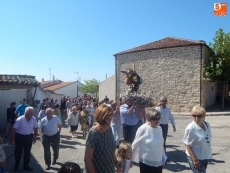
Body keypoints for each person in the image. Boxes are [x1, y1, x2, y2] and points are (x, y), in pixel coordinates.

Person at [84, 104, 121, 173]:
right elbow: (87, 159)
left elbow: (111, 151)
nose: (110, 121)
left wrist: (116, 164)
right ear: (101, 117)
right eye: (107, 118)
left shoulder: (109, 129)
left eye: (111, 118)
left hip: (110, 170)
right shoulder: (93, 133)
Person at [131, 108, 167, 173]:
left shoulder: (159, 129)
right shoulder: (143, 129)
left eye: (158, 118)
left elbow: (160, 145)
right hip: (146, 162)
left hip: (158, 162)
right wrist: (130, 160)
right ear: (149, 119)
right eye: (154, 119)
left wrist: (164, 156)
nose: (157, 120)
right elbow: (135, 145)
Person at [182, 105, 212, 173]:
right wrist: (195, 161)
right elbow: (187, 145)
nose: (196, 118)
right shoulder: (190, 128)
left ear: (204, 117)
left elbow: (207, 139)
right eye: (194, 116)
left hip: (204, 156)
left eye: (199, 116)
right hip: (195, 158)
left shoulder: (207, 125)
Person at [9, 107, 38, 172]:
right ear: (26, 113)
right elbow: (13, 130)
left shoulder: (33, 119)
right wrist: (11, 139)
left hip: (29, 137)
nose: (32, 114)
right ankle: (16, 165)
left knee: (27, 152)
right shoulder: (20, 119)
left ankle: (26, 166)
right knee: (18, 152)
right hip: (19, 137)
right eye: (31, 113)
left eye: (32, 112)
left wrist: (35, 136)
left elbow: (36, 128)